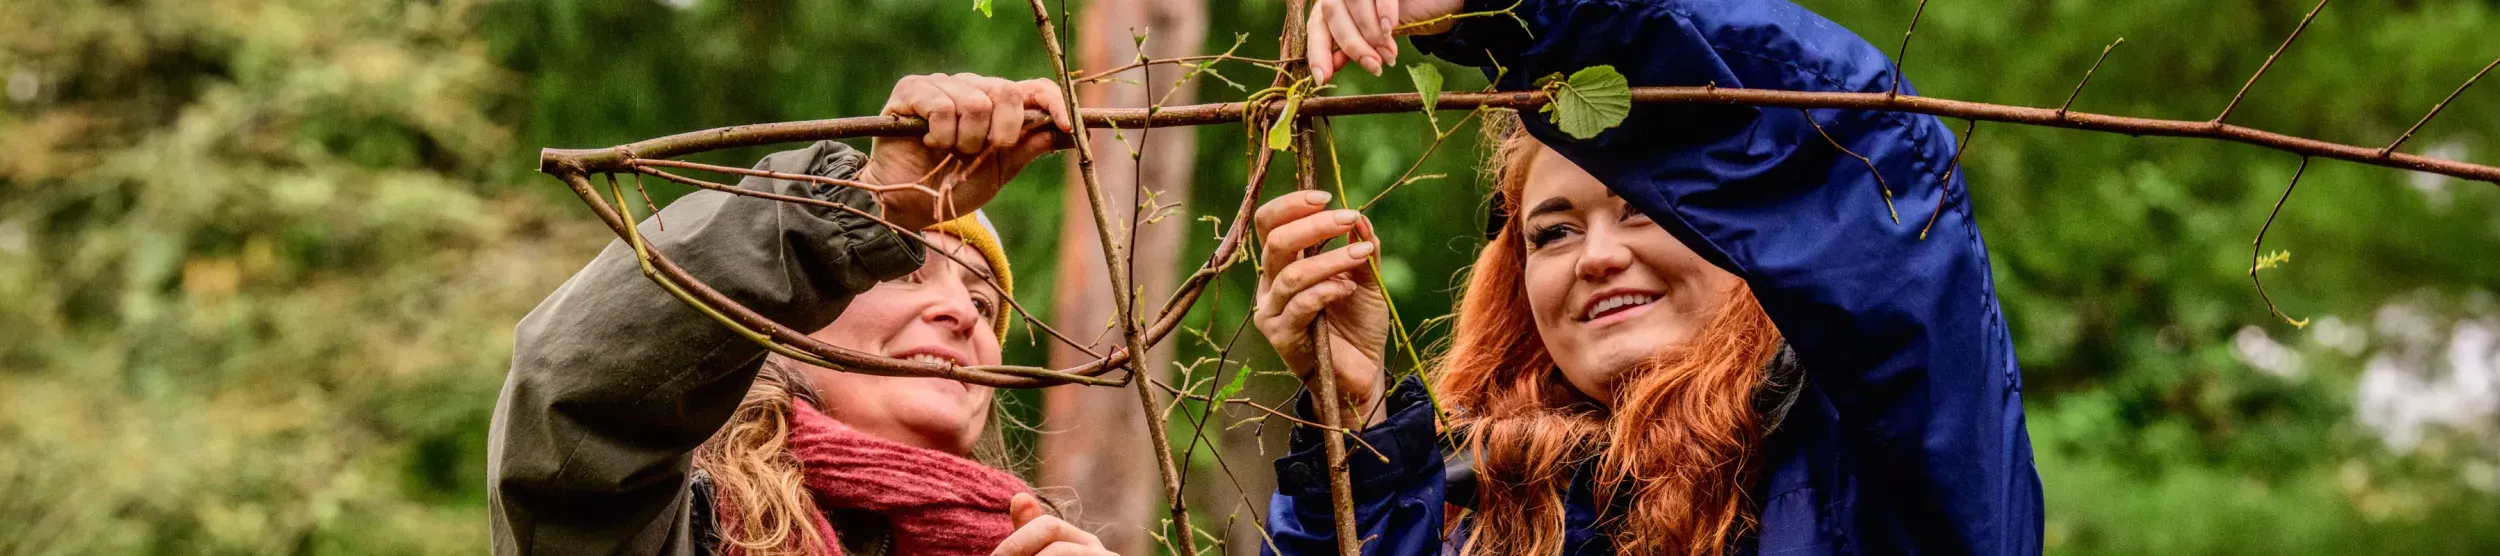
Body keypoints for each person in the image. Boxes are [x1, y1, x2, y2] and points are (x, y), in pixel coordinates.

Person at [1254, 0, 2043, 554]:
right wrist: (1353, 419)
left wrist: (1514, 8)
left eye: (1643, 212)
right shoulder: (1465, 510)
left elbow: (1874, 176)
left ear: (1749, 227)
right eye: (1553, 232)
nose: (1594, 256)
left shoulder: (1878, 467)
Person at [489, 73, 1117, 556]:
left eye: (984, 302)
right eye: (905, 271)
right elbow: (575, 398)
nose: (960, 311)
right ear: (790, 318)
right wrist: (865, 206)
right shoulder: (679, 529)